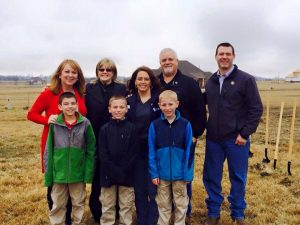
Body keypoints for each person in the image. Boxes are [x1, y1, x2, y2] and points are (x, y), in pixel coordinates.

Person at [203, 42, 263, 225]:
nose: (224, 57)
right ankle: (213, 213)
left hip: (236, 139)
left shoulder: (246, 80)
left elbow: (256, 109)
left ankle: (238, 213)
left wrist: (244, 134)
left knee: (237, 177)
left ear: (233, 56)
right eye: (221, 53)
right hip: (214, 138)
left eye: (228, 54)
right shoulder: (211, 81)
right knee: (212, 176)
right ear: (215, 56)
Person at [27, 59, 87, 225]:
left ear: (78, 76)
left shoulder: (80, 93)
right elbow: (31, 114)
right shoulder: (49, 93)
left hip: (76, 147)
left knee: (73, 186)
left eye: (74, 72)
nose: (70, 75)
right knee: (56, 185)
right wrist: (48, 120)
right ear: (59, 74)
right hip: (54, 146)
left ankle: (71, 220)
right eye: (66, 71)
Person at [158, 48, 207, 224]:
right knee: (163, 177)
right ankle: (165, 212)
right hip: (161, 139)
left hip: (184, 139)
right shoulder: (156, 83)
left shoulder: (189, 84)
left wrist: (196, 134)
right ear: (160, 63)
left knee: (183, 176)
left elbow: (200, 110)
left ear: (177, 61)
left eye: (170, 59)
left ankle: (184, 213)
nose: (167, 62)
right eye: (164, 60)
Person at [44, 92, 96, 225]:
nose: (70, 106)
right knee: (58, 204)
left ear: (77, 105)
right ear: (60, 106)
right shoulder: (55, 124)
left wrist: (88, 173)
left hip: (77, 173)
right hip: (58, 174)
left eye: (73, 103)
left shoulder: (85, 123)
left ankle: (77, 222)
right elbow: (48, 150)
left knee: (78, 203)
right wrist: (49, 174)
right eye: (66, 104)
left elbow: (91, 150)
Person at [85, 58, 126, 223]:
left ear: (113, 72)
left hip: (116, 137)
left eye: (108, 70)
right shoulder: (89, 88)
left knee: (115, 174)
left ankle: (115, 212)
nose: (105, 72)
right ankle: (96, 211)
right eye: (101, 69)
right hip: (94, 138)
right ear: (97, 71)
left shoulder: (122, 88)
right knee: (97, 177)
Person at [148, 90, 193, 225]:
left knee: (181, 204)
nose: (167, 108)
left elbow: (189, 150)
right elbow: (151, 150)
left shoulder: (186, 124)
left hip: (180, 175)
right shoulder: (154, 125)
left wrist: (187, 173)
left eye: (170, 104)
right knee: (163, 204)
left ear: (177, 104)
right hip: (162, 176)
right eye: (164, 105)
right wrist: (154, 173)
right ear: (159, 105)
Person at [126, 66, 161, 225]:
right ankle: (142, 220)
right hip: (136, 152)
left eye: (146, 79)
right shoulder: (129, 101)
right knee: (139, 190)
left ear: (151, 81)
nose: (143, 82)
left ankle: (152, 220)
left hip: (155, 151)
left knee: (154, 190)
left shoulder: (158, 99)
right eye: (139, 79)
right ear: (134, 81)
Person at [97, 96, 138, 225]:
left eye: (121, 107)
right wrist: (114, 171)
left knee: (125, 206)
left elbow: (133, 152)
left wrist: (122, 171)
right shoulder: (104, 129)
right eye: (115, 107)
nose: (118, 110)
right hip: (108, 175)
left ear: (126, 109)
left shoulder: (132, 128)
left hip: (127, 175)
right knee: (108, 206)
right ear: (109, 109)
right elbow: (103, 154)